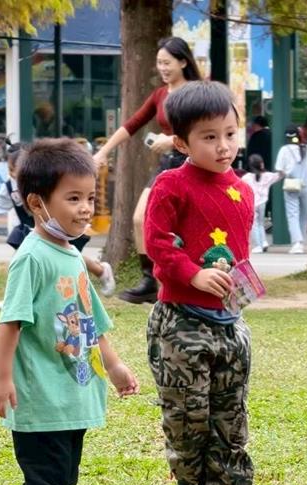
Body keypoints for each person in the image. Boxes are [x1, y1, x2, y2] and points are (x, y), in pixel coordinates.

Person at [0, 138, 139, 485]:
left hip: (71, 393)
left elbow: (92, 319)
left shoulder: (70, 253)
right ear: (37, 203)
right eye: (73, 198)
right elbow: (10, 322)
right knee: (45, 479)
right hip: (40, 399)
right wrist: (1, 379)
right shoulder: (31, 258)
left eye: (90, 197)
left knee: (65, 475)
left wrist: (114, 366)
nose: (86, 208)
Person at [142, 81, 258, 485]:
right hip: (180, 324)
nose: (223, 146)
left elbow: (240, 255)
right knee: (187, 416)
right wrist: (193, 274)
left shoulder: (243, 191)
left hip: (230, 325)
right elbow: (157, 243)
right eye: (209, 137)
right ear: (181, 142)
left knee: (230, 416)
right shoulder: (171, 185)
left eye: (230, 133)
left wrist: (241, 286)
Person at [92, 36, 201, 304]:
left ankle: (189, 280)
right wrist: (104, 152)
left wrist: (173, 139)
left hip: (194, 162)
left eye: (167, 63)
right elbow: (131, 124)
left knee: (188, 227)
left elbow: (204, 130)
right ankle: (150, 280)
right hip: (168, 164)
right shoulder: (160, 95)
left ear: (183, 62)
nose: (162, 68)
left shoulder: (198, 92)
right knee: (141, 219)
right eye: (159, 63)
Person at [0, 143, 115, 307]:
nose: (13, 174)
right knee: (26, 259)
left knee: (68, 255)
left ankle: (100, 271)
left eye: (90, 198)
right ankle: (15, 300)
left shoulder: (49, 183)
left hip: (54, 230)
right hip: (32, 231)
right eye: (10, 170)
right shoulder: (10, 188)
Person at [275, 125, 307, 254]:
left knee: (292, 214)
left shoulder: (284, 150)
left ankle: (296, 242)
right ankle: (301, 242)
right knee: (304, 215)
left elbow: (280, 171)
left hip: (291, 185)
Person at [243, 153, 283, 253]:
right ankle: (264, 242)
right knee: (260, 224)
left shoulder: (247, 177)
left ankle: (257, 246)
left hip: (251, 203)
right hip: (262, 203)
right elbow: (280, 175)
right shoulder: (267, 176)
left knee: (254, 225)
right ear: (261, 164)